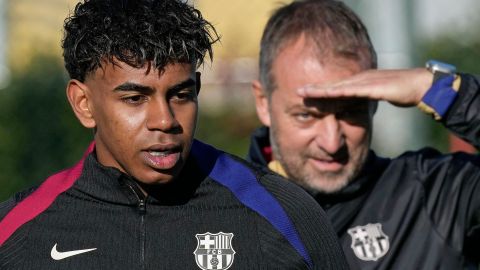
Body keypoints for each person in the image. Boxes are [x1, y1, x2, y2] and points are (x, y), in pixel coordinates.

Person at [0, 0, 350, 269]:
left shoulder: (284, 215)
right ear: (83, 103)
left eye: (181, 95)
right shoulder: (17, 233)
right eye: (135, 98)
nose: (165, 120)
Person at [248, 0, 480, 269]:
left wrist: (443, 92)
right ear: (263, 102)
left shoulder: (437, 196)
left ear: (375, 101)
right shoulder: (218, 210)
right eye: (307, 115)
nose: (332, 142)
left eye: (351, 112)